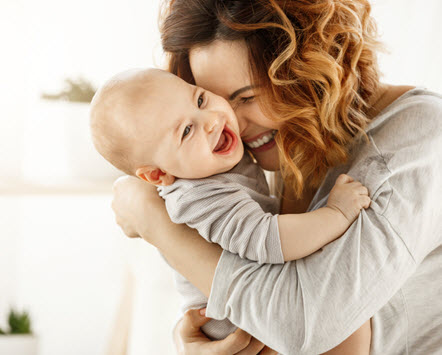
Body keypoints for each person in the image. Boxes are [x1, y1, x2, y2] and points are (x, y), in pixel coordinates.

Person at [111, 0, 442, 354]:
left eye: (247, 97)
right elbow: (262, 302)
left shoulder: (419, 133)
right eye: (211, 98)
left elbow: (302, 324)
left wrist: (155, 222)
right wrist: (198, 337)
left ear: (308, 69)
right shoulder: (286, 146)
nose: (230, 123)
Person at [90, 67, 372, 352]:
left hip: (248, 314)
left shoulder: (212, 163)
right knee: (345, 315)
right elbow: (269, 240)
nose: (211, 121)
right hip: (235, 332)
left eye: (200, 100)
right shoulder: (199, 196)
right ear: (156, 175)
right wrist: (337, 213)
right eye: (187, 131)